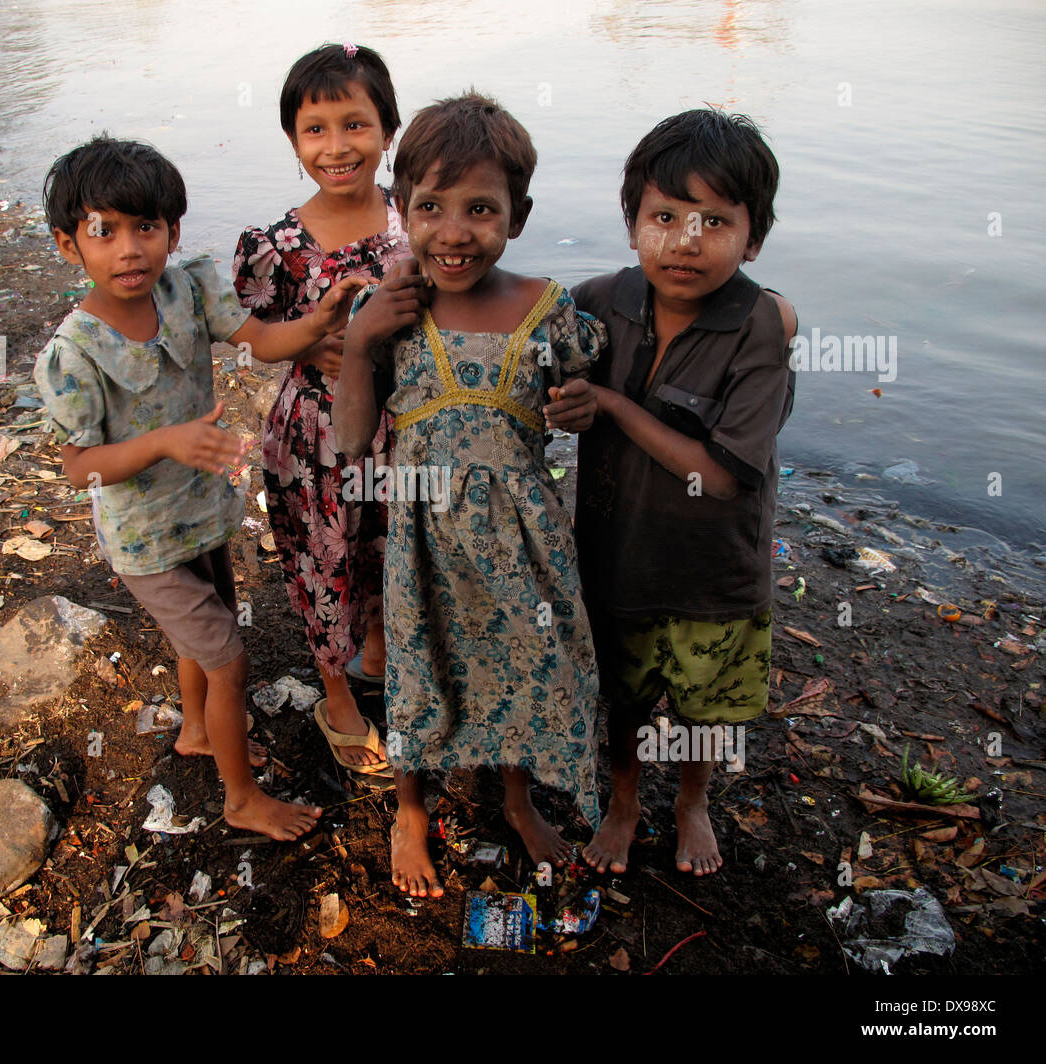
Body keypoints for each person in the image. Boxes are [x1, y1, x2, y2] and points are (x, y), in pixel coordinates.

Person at [34, 136, 372, 841]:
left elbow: (260, 338)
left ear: (173, 232)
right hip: (145, 539)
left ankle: (196, 730)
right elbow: (78, 467)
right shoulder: (75, 352)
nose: (129, 248)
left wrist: (320, 320)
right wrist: (164, 441)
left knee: (206, 634)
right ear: (71, 246)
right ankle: (240, 798)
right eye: (104, 232)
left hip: (201, 515)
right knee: (228, 656)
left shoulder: (185, 289)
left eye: (145, 228)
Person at [336, 93, 605, 897]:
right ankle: (411, 810)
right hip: (423, 537)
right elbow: (352, 439)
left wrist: (583, 408)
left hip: (523, 536)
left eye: (481, 209)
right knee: (421, 668)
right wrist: (357, 342)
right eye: (431, 208)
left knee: (522, 662)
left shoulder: (548, 311)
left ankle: (517, 800)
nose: (454, 232)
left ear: (517, 217)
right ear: (400, 210)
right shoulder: (387, 312)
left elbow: (580, 405)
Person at [545, 109, 798, 876]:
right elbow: (513, 321)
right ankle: (623, 804)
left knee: (702, 712)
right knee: (623, 703)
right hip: (615, 564)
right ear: (632, 225)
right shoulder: (599, 300)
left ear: (752, 239)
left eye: (714, 221)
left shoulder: (759, 328)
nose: (685, 241)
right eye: (664, 217)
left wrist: (614, 405)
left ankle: (691, 802)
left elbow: (721, 476)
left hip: (713, 576)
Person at [232, 43, 407, 783]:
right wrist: (318, 334)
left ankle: (380, 656)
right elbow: (255, 342)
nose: (337, 148)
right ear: (293, 140)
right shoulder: (274, 247)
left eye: (356, 125)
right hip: (318, 437)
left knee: (393, 554)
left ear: (389, 130)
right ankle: (336, 699)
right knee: (325, 562)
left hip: (405, 427)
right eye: (315, 130)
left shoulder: (418, 219)